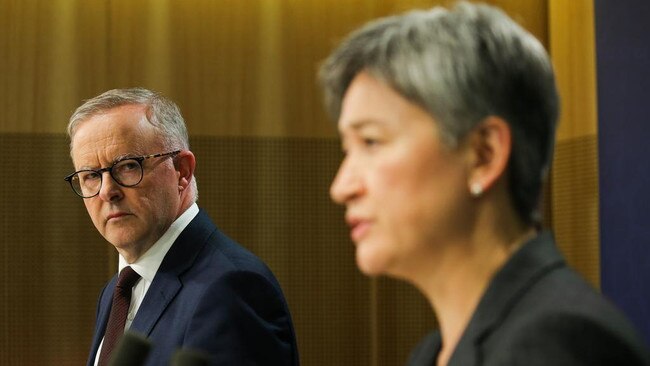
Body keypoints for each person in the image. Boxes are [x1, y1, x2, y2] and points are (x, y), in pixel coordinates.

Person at [318, 2, 649, 365]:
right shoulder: (433, 352)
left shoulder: (556, 343)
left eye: (371, 141)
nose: (341, 187)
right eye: (346, 149)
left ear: (484, 154)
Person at [64, 88, 299, 366]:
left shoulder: (231, 288)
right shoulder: (116, 291)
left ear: (182, 171)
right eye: (91, 175)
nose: (107, 191)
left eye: (127, 166)